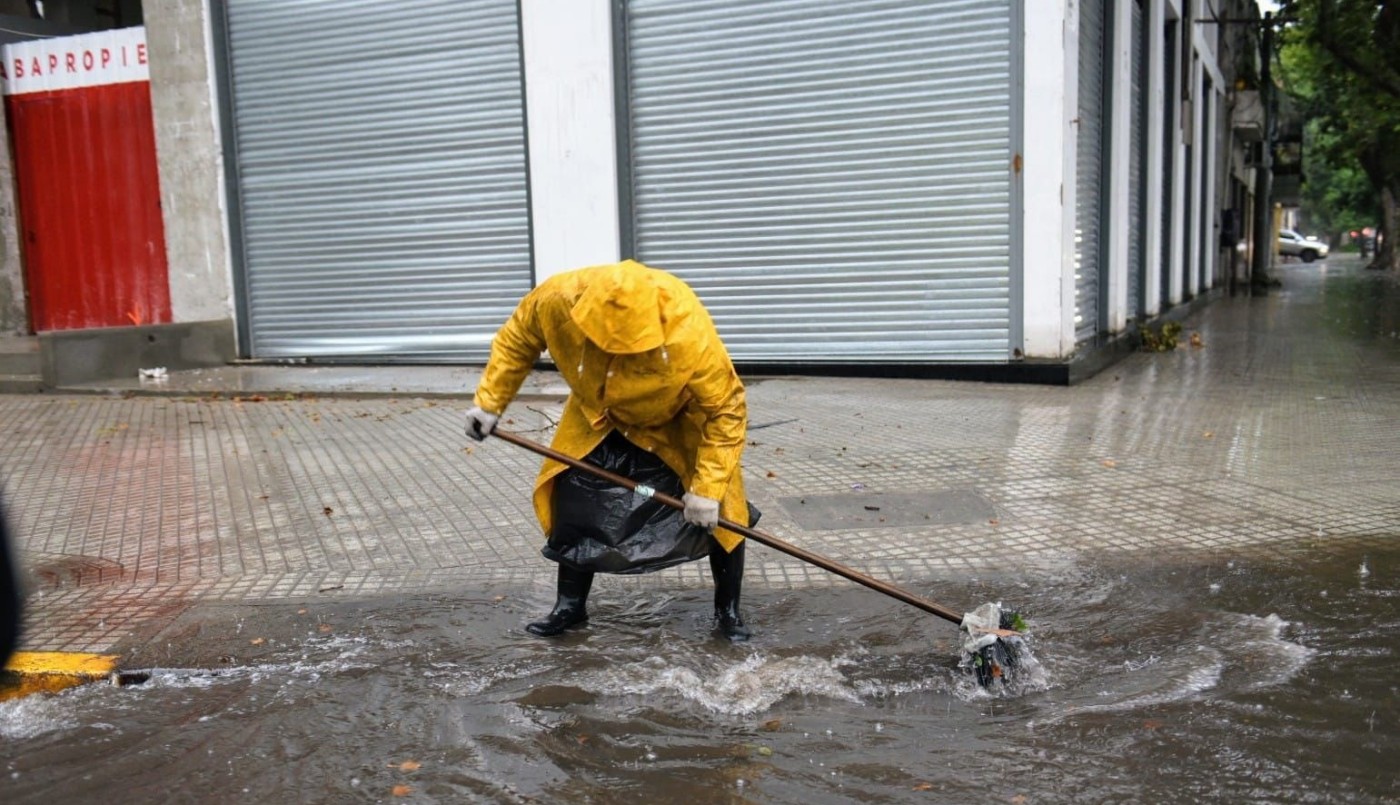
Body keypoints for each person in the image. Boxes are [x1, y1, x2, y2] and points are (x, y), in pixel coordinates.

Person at [464, 260, 756, 641]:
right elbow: (516, 340)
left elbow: (726, 410)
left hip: (676, 419)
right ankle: (569, 606)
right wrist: (489, 403)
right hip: (596, 415)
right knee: (573, 500)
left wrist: (707, 488)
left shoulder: (687, 329)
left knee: (725, 515)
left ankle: (728, 611)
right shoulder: (556, 300)